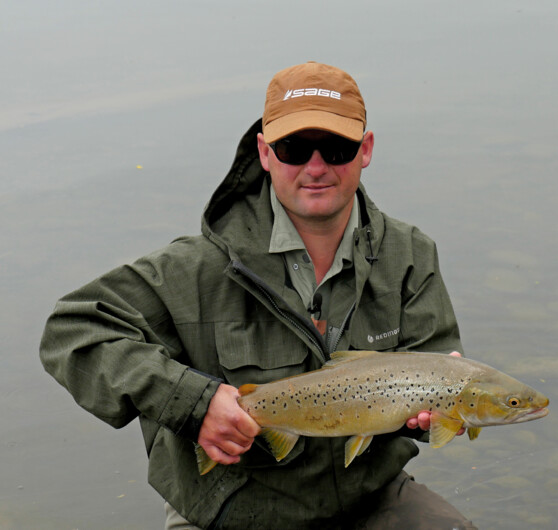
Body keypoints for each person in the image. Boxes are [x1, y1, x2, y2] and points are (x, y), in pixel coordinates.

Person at [39, 61, 475, 529]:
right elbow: (73, 330)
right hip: (233, 503)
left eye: (335, 147)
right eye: (293, 149)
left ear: (365, 150)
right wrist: (194, 403)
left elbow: (437, 383)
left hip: (366, 495)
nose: (316, 167)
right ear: (265, 154)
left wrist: (436, 416)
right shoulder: (198, 268)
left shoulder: (409, 256)